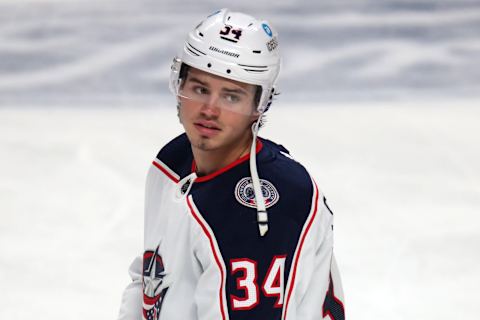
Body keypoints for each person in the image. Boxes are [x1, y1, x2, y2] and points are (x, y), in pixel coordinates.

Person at [117, 8, 345, 320]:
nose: (210, 109)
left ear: (259, 105)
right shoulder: (173, 161)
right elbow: (151, 283)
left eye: (231, 97)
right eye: (199, 89)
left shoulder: (266, 208)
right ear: (178, 83)